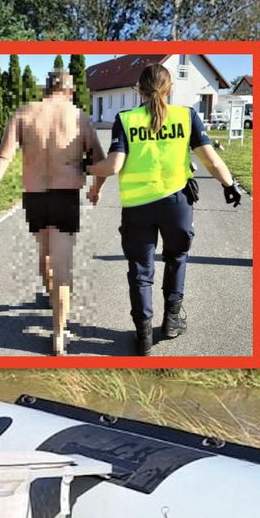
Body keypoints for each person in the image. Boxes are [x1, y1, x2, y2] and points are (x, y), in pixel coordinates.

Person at [88, 63, 243, 355]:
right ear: (169, 89)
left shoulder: (126, 119)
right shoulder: (187, 116)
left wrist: (87, 167)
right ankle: (171, 321)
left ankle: (143, 335)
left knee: (140, 271)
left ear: (139, 91)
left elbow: (113, 166)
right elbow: (210, 160)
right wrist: (229, 185)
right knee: (176, 258)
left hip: (137, 207)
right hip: (177, 205)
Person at [0, 70, 106, 356]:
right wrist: (96, 187)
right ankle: (59, 334)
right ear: (70, 91)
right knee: (62, 266)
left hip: (34, 196)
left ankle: (49, 296)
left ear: (46, 89)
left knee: (44, 253)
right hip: (65, 196)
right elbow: (100, 160)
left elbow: (4, 156)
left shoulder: (24, 113)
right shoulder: (80, 118)